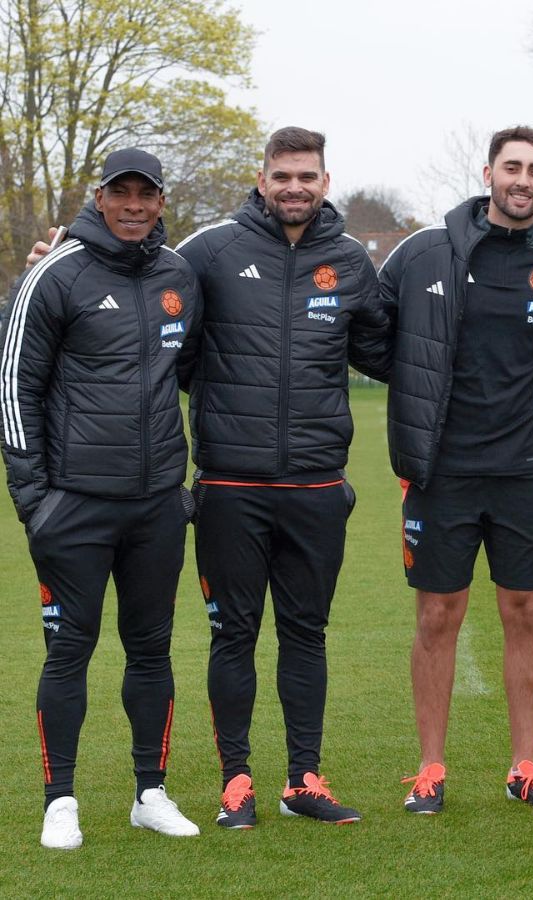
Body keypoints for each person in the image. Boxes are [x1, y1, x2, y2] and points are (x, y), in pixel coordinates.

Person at [174, 127, 391, 828]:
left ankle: (304, 778)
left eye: (308, 176)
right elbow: (163, 336)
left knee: (307, 634)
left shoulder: (351, 262)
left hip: (317, 485)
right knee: (233, 636)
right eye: (283, 175)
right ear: (261, 178)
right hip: (231, 486)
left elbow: (390, 350)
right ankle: (236, 782)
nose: (295, 187)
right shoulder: (210, 251)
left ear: (326, 182)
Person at [379, 126, 533, 813]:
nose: (523, 179)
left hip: (528, 470)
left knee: (525, 611)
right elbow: (368, 328)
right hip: (442, 471)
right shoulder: (425, 252)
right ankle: (430, 769)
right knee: (438, 615)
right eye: (512, 167)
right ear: (489, 173)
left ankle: (525, 765)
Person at [2, 149, 202, 848]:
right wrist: (36, 502)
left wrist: (186, 491)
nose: (134, 205)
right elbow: (14, 386)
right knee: (69, 653)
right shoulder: (55, 272)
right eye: (122, 193)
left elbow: (203, 372)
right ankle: (61, 800)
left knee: (151, 650)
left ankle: (150, 792)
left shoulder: (179, 273)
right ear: (100, 195)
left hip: (155, 507)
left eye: (147, 194)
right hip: (74, 507)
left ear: (159, 202)